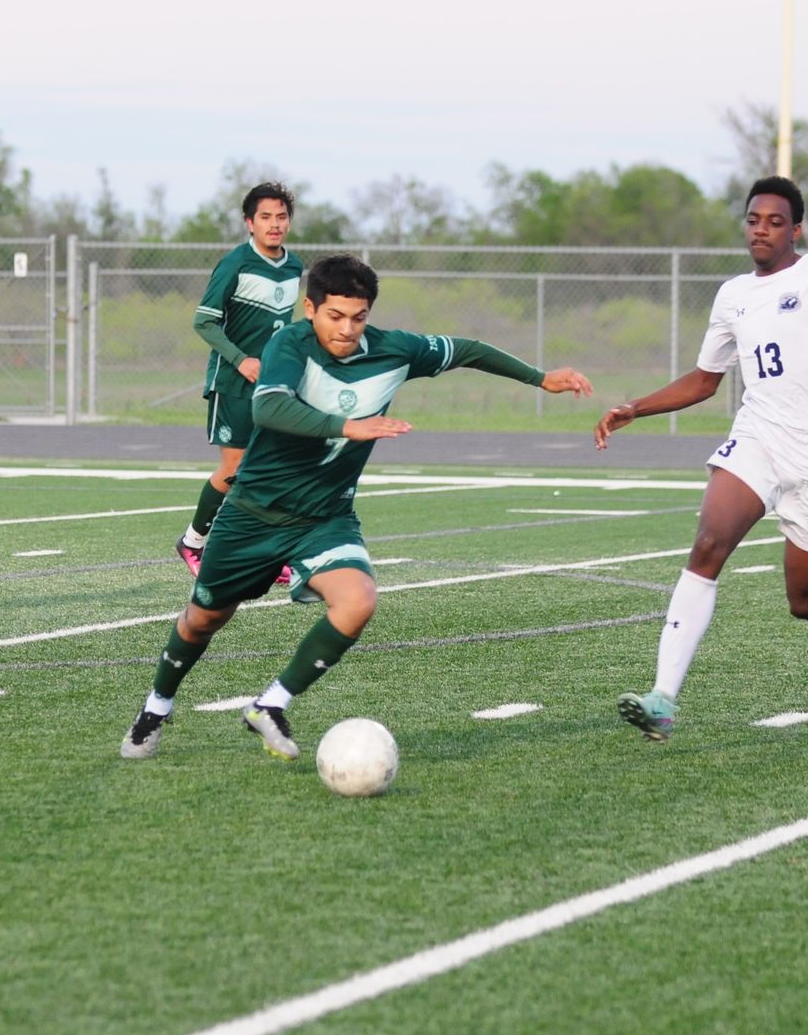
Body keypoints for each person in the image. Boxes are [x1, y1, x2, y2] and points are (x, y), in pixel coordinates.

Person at [122, 253, 593, 761]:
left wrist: (540, 377)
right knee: (203, 620)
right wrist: (349, 426)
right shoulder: (289, 344)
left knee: (358, 601)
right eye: (335, 316)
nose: (347, 329)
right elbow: (269, 406)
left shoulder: (395, 350)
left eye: (358, 316)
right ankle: (156, 706)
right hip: (253, 513)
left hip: (325, 516)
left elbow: (469, 349)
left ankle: (269, 705)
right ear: (311, 309)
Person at [593, 175, 808, 742]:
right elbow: (707, 380)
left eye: (775, 221)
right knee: (707, 545)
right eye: (754, 219)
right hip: (759, 437)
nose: (762, 229)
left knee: (803, 600)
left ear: (795, 229)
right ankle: (663, 698)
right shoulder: (733, 294)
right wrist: (637, 406)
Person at [175, 182, 304, 585]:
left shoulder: (295, 266)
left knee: (270, 469)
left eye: (281, 216)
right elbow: (204, 320)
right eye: (265, 217)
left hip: (273, 387)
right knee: (233, 468)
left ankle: (265, 554)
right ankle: (193, 543)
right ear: (250, 222)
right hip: (232, 383)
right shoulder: (235, 263)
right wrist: (240, 360)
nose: (274, 224)